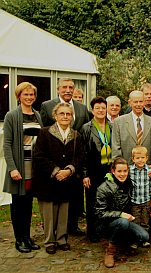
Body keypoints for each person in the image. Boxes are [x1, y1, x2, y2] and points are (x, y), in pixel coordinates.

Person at [40, 77, 90, 236]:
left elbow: (85, 133)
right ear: (58, 89)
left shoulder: (82, 108)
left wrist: (75, 167)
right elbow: (45, 134)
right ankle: (52, 230)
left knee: (73, 198)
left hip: (74, 159)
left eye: (71, 87)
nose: (68, 90)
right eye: (64, 87)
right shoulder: (47, 106)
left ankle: (72, 226)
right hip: (53, 160)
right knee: (53, 200)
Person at [32, 103, 84, 254]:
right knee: (49, 213)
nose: (65, 117)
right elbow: (39, 155)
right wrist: (56, 171)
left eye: (68, 114)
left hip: (67, 180)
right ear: (55, 116)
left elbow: (80, 156)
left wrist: (69, 170)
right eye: (62, 113)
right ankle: (49, 241)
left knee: (63, 212)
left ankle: (61, 239)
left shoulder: (76, 135)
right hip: (48, 180)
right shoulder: (44, 133)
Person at [3, 82, 42, 253]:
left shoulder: (37, 115)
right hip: (19, 167)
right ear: (19, 96)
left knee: (27, 204)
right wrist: (12, 168)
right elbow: (7, 144)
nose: (29, 97)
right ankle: (19, 239)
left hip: (33, 168)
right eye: (25, 94)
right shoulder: (11, 116)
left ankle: (27, 237)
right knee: (17, 205)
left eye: (31, 94)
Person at [95, 158, 149, 268]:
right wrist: (120, 214)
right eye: (119, 171)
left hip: (126, 220)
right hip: (107, 224)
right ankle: (110, 251)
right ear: (113, 171)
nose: (122, 174)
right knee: (123, 223)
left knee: (144, 236)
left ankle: (123, 242)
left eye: (125, 171)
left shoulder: (129, 184)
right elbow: (100, 213)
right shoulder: (104, 188)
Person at [81, 96, 112, 242]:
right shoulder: (87, 128)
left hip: (109, 169)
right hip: (93, 171)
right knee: (93, 202)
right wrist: (85, 174)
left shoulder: (111, 126)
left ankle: (105, 230)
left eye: (103, 108)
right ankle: (92, 232)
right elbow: (84, 153)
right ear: (92, 110)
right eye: (97, 108)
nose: (101, 110)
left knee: (108, 201)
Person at [112, 90, 151, 175]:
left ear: (144, 102)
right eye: (135, 102)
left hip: (148, 170)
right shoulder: (118, 122)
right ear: (130, 103)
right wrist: (120, 168)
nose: (138, 104)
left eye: (141, 101)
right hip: (126, 171)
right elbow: (116, 147)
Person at [129, 146, 151, 247]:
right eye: (137, 158)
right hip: (134, 201)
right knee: (135, 221)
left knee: (145, 221)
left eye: (142, 158)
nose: (140, 160)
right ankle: (135, 240)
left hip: (146, 201)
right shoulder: (130, 170)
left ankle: (144, 239)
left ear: (147, 158)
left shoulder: (149, 170)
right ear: (133, 159)